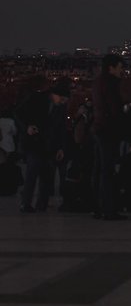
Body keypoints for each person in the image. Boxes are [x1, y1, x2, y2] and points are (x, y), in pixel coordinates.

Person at [18, 78, 70, 213]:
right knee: (32, 175)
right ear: (56, 95)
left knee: (46, 177)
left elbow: (62, 129)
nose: (63, 103)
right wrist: (27, 127)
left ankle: (41, 204)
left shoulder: (60, 106)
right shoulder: (36, 98)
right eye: (63, 99)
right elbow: (19, 113)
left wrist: (61, 148)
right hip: (35, 143)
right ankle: (26, 204)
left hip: (49, 145)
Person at [92, 53, 126, 220]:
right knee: (108, 170)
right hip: (109, 130)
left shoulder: (98, 82)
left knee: (100, 170)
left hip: (99, 129)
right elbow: (115, 109)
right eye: (120, 68)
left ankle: (98, 207)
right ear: (111, 68)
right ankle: (109, 209)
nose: (122, 71)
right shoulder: (112, 84)